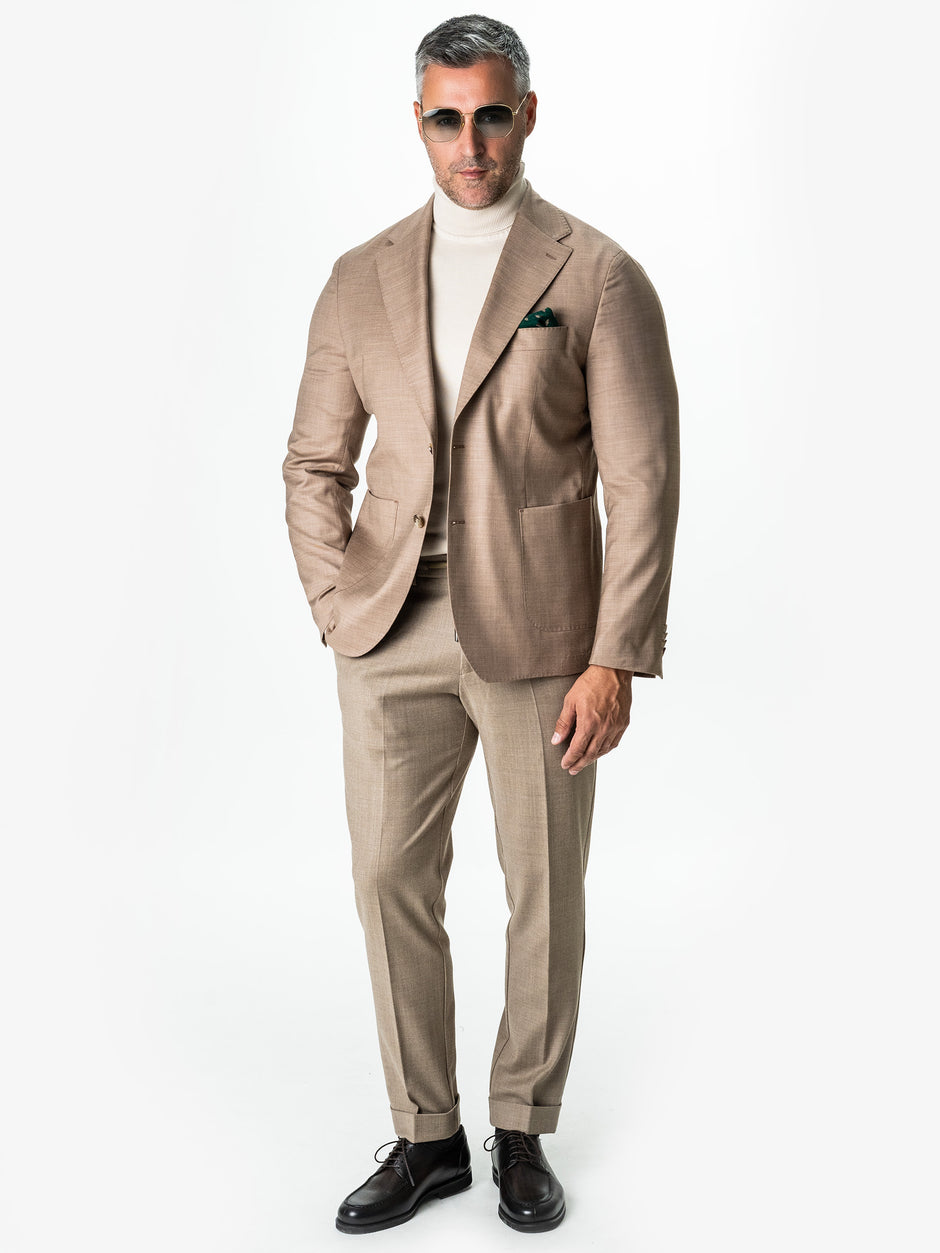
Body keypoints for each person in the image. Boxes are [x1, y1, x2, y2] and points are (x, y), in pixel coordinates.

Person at [283, 13, 679, 1235]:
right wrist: (335, 605)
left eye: (492, 115)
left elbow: (642, 480)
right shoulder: (358, 275)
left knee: (542, 886)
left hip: (545, 634)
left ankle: (521, 1124)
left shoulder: (595, 272)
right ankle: (426, 1135)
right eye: (448, 119)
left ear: (527, 114)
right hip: (388, 623)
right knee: (385, 877)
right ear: (418, 121)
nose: (472, 143)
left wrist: (613, 654)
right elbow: (313, 464)